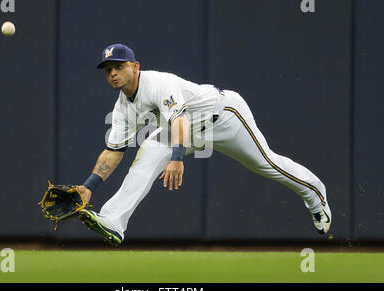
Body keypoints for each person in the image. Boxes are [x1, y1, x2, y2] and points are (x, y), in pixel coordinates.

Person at [77, 43, 331, 246]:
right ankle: (112, 221)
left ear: (135, 66)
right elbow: (113, 152)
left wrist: (177, 157)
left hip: (223, 117)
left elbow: (181, 120)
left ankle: (316, 196)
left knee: (267, 163)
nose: (113, 73)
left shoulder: (157, 83)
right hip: (178, 131)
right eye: (108, 69)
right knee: (145, 159)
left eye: (118, 66)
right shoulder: (122, 108)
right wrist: (89, 186)